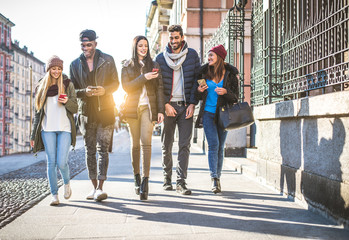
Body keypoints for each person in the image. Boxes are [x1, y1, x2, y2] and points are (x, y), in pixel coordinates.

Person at [70, 29, 119, 201]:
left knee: (103, 150)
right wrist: (86, 92)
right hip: (86, 114)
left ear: (95, 44)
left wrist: (104, 90)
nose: (86, 48)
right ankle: (93, 187)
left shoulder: (108, 60)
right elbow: (73, 91)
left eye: (89, 45)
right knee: (90, 150)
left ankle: (100, 187)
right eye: (83, 45)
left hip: (106, 111)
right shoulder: (74, 64)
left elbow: (116, 84)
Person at [155, 25, 200, 195]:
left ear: (182, 37)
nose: (173, 41)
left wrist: (192, 104)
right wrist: (165, 105)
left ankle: (181, 182)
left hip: (185, 107)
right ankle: (167, 179)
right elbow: (157, 86)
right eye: (171, 38)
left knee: (184, 145)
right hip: (168, 107)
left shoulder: (192, 56)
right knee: (166, 145)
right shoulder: (160, 58)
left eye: (176, 38)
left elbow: (197, 80)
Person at [30, 56, 78, 206]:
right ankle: (54, 195)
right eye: (53, 68)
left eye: (59, 69)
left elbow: (76, 108)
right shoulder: (41, 87)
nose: (56, 71)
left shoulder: (67, 84)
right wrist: (33, 135)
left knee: (62, 162)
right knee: (51, 163)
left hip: (64, 129)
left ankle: (67, 183)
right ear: (49, 70)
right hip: (47, 129)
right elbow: (37, 113)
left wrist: (66, 102)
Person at [121, 35, 165, 200]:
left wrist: (160, 110)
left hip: (148, 108)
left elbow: (159, 88)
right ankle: (136, 177)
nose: (144, 48)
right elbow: (127, 87)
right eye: (140, 46)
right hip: (132, 109)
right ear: (135, 47)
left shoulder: (154, 65)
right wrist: (144, 77)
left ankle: (145, 181)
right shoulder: (127, 66)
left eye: (145, 46)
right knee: (135, 145)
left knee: (146, 142)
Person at [195, 45, 239, 193]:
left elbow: (236, 97)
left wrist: (226, 92)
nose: (209, 58)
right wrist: (199, 90)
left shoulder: (230, 75)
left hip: (223, 114)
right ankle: (214, 178)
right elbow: (197, 96)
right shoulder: (203, 73)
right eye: (208, 56)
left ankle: (218, 178)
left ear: (219, 57)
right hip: (207, 114)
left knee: (220, 147)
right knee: (213, 145)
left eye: (212, 55)